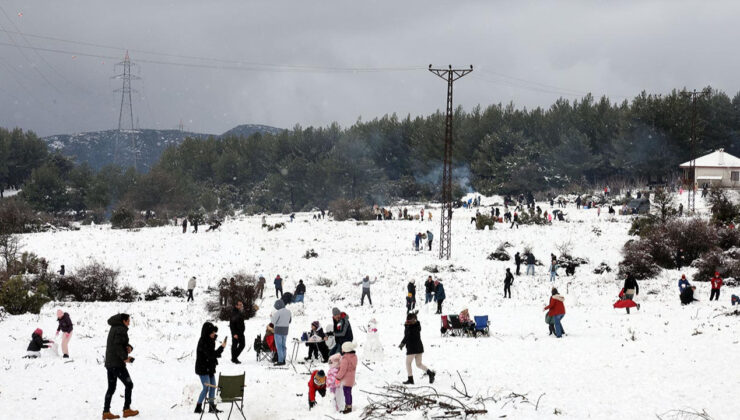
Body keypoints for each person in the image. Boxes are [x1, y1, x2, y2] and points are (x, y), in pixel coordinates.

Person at [103, 313, 138, 419]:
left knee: (111, 388)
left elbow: (119, 343)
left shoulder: (115, 327)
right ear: (123, 321)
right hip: (116, 364)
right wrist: (125, 358)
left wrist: (129, 347)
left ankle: (106, 412)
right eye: (128, 320)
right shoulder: (120, 329)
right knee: (129, 384)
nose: (129, 322)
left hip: (110, 363)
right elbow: (118, 346)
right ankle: (126, 409)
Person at [194, 322, 226, 414]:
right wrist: (222, 347)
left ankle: (212, 407)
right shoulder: (203, 342)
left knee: (213, 387)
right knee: (206, 388)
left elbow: (212, 353)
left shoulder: (210, 339)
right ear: (207, 333)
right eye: (212, 332)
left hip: (210, 367)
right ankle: (198, 407)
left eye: (214, 332)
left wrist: (219, 342)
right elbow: (211, 355)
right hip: (203, 368)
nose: (214, 334)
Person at [399, 311, 436, 386]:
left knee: (408, 363)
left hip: (412, 348)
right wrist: (414, 319)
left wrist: (402, 344)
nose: (409, 321)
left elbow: (407, 336)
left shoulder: (409, 327)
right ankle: (430, 373)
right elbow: (412, 327)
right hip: (419, 348)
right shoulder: (417, 325)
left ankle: (410, 379)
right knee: (418, 364)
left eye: (410, 320)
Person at [336, 342, 358, 414]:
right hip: (351, 379)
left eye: (342, 348)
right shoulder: (354, 357)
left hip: (346, 380)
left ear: (346, 350)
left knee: (347, 393)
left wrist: (338, 377)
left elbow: (343, 370)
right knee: (348, 393)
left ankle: (348, 407)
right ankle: (348, 406)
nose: (341, 349)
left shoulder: (345, 359)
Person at [271, 299, 292, 366]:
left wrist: (271, 317)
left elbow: (273, 322)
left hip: (278, 330)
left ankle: (280, 361)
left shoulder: (278, 312)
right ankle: (283, 359)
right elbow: (290, 321)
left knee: (279, 346)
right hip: (285, 330)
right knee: (283, 345)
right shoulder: (289, 312)